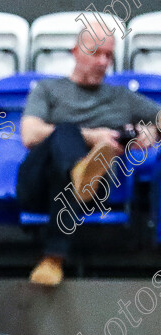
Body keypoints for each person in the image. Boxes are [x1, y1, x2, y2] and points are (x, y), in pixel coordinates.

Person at [18, 22, 161, 286]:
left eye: (108, 55)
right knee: (65, 131)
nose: (103, 62)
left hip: (96, 192)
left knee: (74, 161)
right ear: (75, 51)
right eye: (96, 53)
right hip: (38, 184)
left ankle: (54, 257)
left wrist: (153, 132)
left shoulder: (121, 97)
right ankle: (80, 169)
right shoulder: (48, 90)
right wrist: (92, 136)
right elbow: (29, 134)